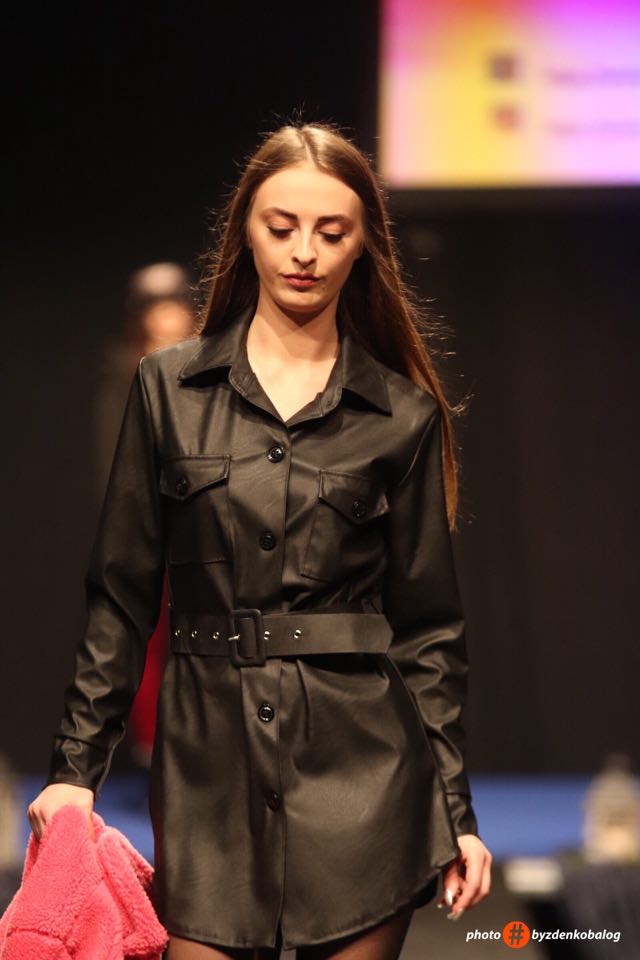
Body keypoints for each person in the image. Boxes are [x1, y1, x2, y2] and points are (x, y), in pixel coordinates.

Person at [27, 121, 492, 960]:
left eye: (332, 232)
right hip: (208, 775)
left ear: (364, 247)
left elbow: (428, 631)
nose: (304, 252)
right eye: (282, 227)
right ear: (246, 231)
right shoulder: (169, 389)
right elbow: (121, 596)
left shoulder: (401, 415)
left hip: (366, 779)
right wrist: (73, 770)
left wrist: (456, 812)